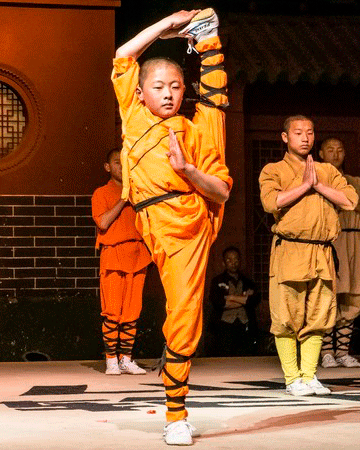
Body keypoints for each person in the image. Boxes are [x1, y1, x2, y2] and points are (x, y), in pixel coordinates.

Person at [112, 8, 231, 445]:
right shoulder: (133, 115)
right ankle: (205, 35)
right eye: (159, 87)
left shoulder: (194, 130)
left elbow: (221, 191)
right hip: (147, 222)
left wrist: (189, 171)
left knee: (182, 313)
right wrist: (165, 27)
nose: (168, 94)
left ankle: (176, 414)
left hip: (186, 226)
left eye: (176, 86)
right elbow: (124, 55)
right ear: (141, 93)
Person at [259, 116, 358, 398]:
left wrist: (318, 185)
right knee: (286, 316)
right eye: (298, 133)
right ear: (285, 137)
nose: (305, 138)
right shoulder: (273, 169)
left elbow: (350, 200)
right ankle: (293, 378)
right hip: (291, 248)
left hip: (322, 251)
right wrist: (304, 186)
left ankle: (309, 375)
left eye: (310, 133)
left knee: (319, 315)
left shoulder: (327, 171)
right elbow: (270, 202)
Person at [92, 149, 152, 376]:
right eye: (117, 162)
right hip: (114, 255)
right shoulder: (101, 193)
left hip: (138, 254)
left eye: (125, 162)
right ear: (107, 167)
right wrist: (123, 199)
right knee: (112, 312)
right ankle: (111, 360)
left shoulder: (139, 192)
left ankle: (126, 359)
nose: (121, 166)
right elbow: (103, 223)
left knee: (132, 312)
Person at [318, 138, 360, 368]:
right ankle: (326, 352)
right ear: (321, 154)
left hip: (354, 241)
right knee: (327, 296)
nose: (336, 154)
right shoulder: (316, 180)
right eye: (330, 149)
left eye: (340, 149)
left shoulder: (356, 183)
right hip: (328, 241)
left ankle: (342, 351)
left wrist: (352, 203)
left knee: (353, 296)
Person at [207, 246, 260, 356]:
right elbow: (219, 303)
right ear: (224, 263)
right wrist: (243, 299)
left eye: (236, 259)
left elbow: (253, 301)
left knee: (245, 358)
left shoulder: (248, 282)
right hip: (224, 327)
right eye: (229, 260)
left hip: (244, 325)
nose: (233, 263)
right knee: (224, 358)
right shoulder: (217, 281)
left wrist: (230, 297)